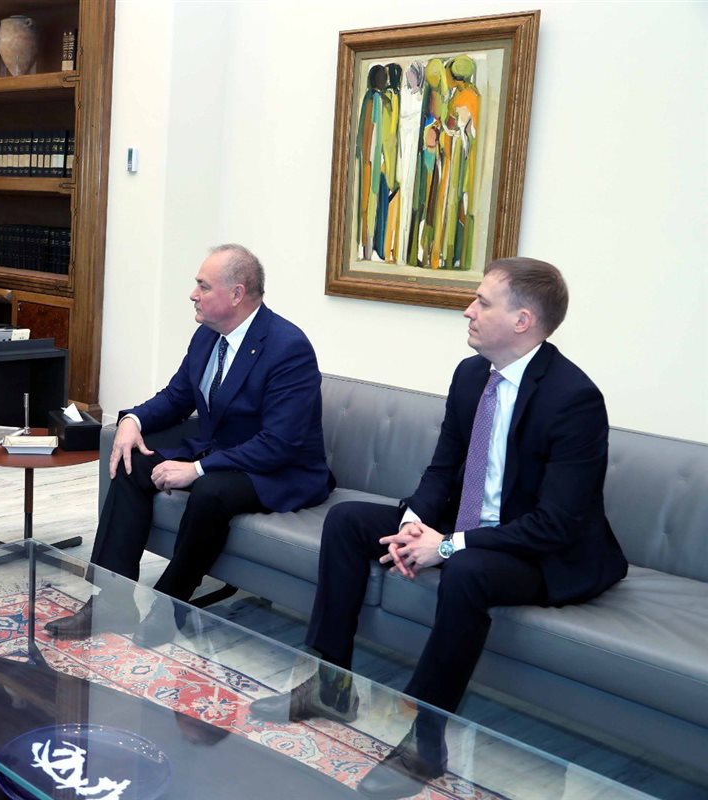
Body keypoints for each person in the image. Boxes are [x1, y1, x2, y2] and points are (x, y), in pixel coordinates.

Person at [252, 258, 628, 799]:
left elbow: (556, 523)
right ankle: (331, 686)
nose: (468, 310)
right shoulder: (471, 375)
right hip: (470, 526)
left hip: (543, 551)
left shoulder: (573, 399)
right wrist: (413, 525)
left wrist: (447, 546)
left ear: (522, 320)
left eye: (483, 302)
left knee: (467, 570)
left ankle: (425, 739)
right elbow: (444, 468)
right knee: (348, 521)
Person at [44, 244, 332, 646]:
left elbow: (279, 444)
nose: (193, 294)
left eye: (203, 286)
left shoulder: (288, 348)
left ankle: (169, 606)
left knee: (211, 490)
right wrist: (132, 420)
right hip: (223, 454)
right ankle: (112, 601)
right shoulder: (208, 337)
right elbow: (177, 397)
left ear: (237, 293)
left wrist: (196, 469)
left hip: (279, 470)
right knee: (131, 463)